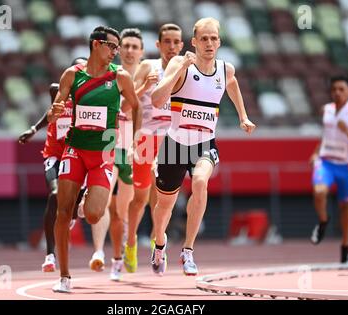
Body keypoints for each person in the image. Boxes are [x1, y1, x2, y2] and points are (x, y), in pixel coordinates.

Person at [150, 17, 256, 276]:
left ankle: (188, 251)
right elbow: (156, 100)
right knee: (165, 205)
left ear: (219, 41)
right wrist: (179, 69)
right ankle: (160, 243)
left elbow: (232, 85)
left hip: (204, 142)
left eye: (214, 38)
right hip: (175, 143)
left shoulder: (225, 69)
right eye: (204, 38)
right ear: (194, 42)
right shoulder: (179, 63)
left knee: (200, 182)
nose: (209, 43)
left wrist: (243, 115)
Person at [48, 26, 139, 293]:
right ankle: (64, 277)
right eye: (112, 46)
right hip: (74, 150)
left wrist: (134, 140)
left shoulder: (120, 77)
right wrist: (53, 112)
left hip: (103, 154)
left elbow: (136, 106)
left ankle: (86, 196)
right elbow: (56, 109)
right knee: (62, 213)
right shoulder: (72, 75)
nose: (116, 52)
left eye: (118, 47)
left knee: (94, 213)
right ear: (96, 45)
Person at [123, 23, 184, 274]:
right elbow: (129, 106)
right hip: (146, 138)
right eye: (166, 42)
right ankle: (130, 243)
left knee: (162, 199)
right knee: (140, 198)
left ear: (182, 45)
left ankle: (157, 244)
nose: (171, 47)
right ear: (158, 45)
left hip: (172, 140)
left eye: (176, 42)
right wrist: (134, 137)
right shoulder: (148, 67)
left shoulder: (186, 69)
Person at [85, 28, 145, 281]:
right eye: (126, 46)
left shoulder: (152, 72)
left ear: (142, 51)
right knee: (104, 198)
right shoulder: (111, 74)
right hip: (111, 142)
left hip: (140, 143)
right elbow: (124, 104)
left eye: (135, 46)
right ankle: (102, 253)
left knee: (128, 209)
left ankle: (127, 245)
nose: (130, 50)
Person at [17, 58, 85, 273]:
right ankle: (50, 255)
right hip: (55, 153)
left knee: (72, 205)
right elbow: (51, 113)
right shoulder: (57, 89)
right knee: (55, 194)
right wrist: (33, 129)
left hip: (78, 154)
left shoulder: (93, 96)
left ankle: (73, 213)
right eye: (77, 69)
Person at [310, 75, 348, 263]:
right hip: (325, 162)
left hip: (345, 165)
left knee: (345, 207)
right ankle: (323, 221)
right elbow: (326, 136)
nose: (337, 92)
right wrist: (315, 152)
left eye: (341, 89)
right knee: (319, 192)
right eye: (334, 89)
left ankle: (345, 247)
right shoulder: (325, 110)